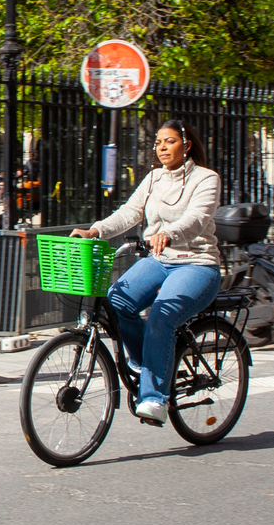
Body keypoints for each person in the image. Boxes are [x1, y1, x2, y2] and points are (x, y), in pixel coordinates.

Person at [71, 119, 221, 423]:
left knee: (160, 316)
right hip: (159, 259)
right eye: (158, 143)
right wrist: (95, 231)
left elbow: (197, 218)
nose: (162, 147)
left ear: (186, 145)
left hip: (196, 263)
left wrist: (170, 233)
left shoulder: (207, 178)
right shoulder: (154, 179)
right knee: (116, 302)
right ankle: (144, 364)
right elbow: (129, 212)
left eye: (169, 141)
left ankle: (154, 398)